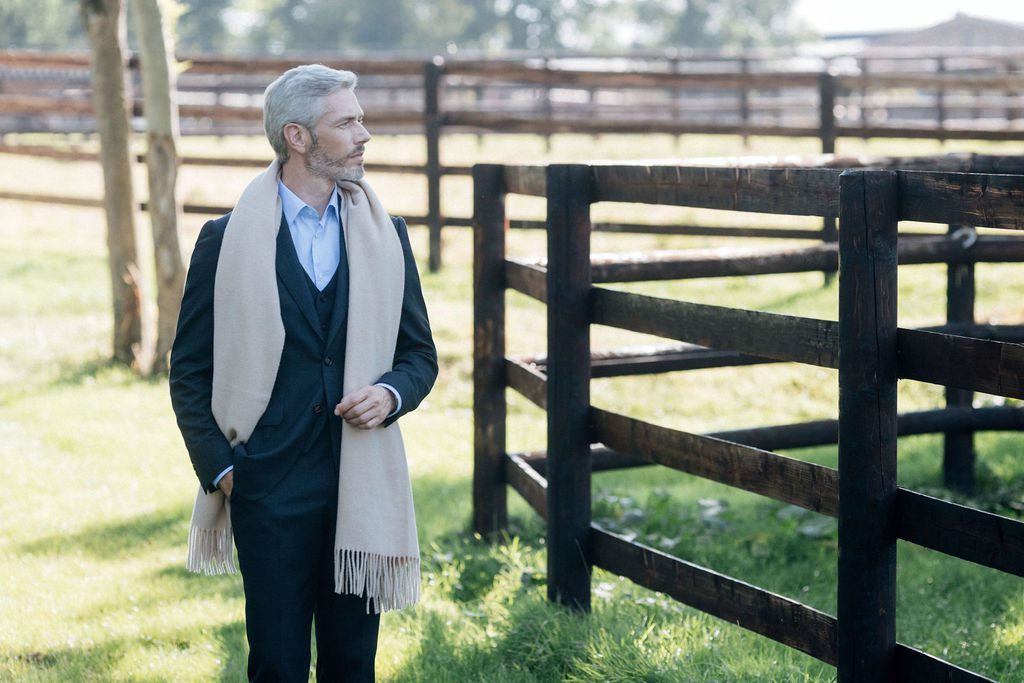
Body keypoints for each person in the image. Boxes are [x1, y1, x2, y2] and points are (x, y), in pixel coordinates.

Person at [169, 64, 438, 682]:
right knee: (278, 665)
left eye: (360, 118)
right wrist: (226, 470)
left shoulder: (386, 236)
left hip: (360, 480)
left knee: (351, 664)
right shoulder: (225, 239)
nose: (364, 134)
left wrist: (391, 393)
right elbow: (189, 372)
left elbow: (419, 356)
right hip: (266, 485)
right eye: (346, 122)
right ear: (298, 137)